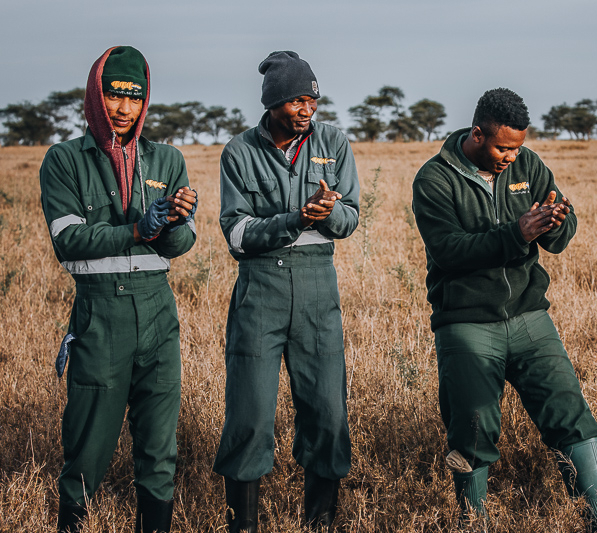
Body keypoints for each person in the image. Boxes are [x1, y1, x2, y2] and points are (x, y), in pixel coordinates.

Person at [412, 88, 597, 531]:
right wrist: (517, 234)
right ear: (477, 134)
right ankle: (474, 521)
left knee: (567, 407)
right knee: (473, 424)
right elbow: (449, 252)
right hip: (467, 322)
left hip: (529, 315)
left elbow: (560, 230)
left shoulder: (529, 165)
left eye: (518, 146)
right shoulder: (435, 179)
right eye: (504, 147)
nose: (512, 156)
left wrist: (558, 222)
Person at [39, 46, 198, 533]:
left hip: (158, 313)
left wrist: (175, 221)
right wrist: (136, 229)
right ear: (95, 96)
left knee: (159, 447)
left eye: (135, 97)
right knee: (88, 445)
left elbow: (180, 245)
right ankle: (72, 522)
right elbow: (68, 240)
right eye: (114, 95)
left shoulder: (166, 159)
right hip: (100, 315)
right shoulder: (64, 160)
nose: (125, 108)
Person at [213, 51, 359, 533]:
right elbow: (236, 235)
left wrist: (329, 212)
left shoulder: (334, 143)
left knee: (328, 412)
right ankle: (244, 525)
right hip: (261, 287)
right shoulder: (239, 151)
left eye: (312, 100)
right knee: (250, 413)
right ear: (273, 101)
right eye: (297, 99)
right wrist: (296, 217)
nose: (307, 109)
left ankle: (321, 524)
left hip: (319, 285)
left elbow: (351, 218)